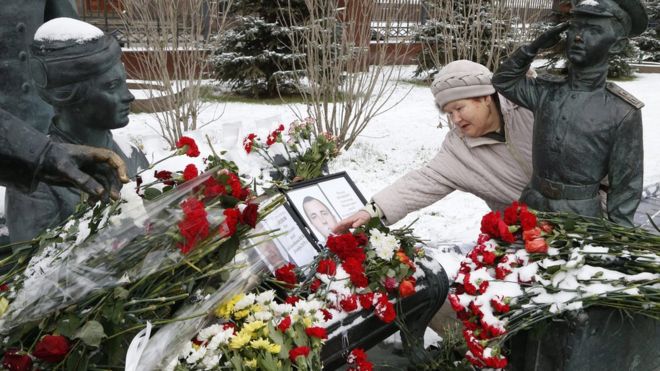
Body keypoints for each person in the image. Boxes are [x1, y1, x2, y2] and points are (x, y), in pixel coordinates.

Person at [492, 0, 647, 227]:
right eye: (575, 27)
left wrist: (618, 240)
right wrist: (533, 47)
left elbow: (626, 184)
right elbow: (503, 81)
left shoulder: (621, 111)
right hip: (531, 207)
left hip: (580, 218)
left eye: (593, 30)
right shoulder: (545, 91)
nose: (578, 36)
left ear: (617, 46)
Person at [333, 60, 534, 234]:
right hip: (528, 235)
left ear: (484, 97)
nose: (455, 119)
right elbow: (423, 181)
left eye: (459, 108)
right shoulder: (459, 149)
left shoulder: (530, 109)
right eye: (448, 113)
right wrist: (371, 211)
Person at [5, 18, 149, 242]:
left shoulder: (131, 153)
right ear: (69, 97)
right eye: (111, 86)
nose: (128, 96)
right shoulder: (38, 181)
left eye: (124, 82)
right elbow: (36, 270)